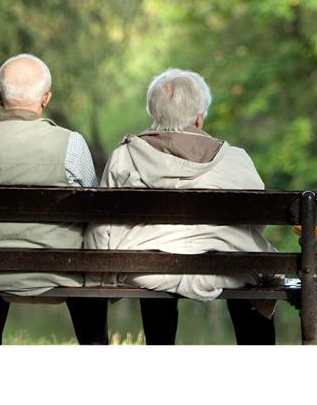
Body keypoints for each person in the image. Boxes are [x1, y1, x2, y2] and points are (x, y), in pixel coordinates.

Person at [84, 68, 278, 344]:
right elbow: (257, 220)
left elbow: (104, 223)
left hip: (145, 268)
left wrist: (99, 270)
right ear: (199, 118)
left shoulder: (124, 156)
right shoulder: (236, 159)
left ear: (155, 115)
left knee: (153, 257)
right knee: (249, 271)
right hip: (226, 268)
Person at [0, 53, 107, 345]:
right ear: (45, 98)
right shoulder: (71, 143)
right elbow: (92, 215)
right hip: (62, 272)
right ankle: (94, 344)